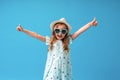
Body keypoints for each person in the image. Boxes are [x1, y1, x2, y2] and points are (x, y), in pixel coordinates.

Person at [16, 18, 98, 80]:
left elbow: (79, 31)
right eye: (57, 30)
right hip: (53, 69)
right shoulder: (50, 41)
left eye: (63, 31)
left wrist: (90, 24)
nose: (60, 33)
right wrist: (23, 30)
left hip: (64, 69)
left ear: (66, 33)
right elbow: (36, 35)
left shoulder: (68, 40)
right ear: (54, 31)